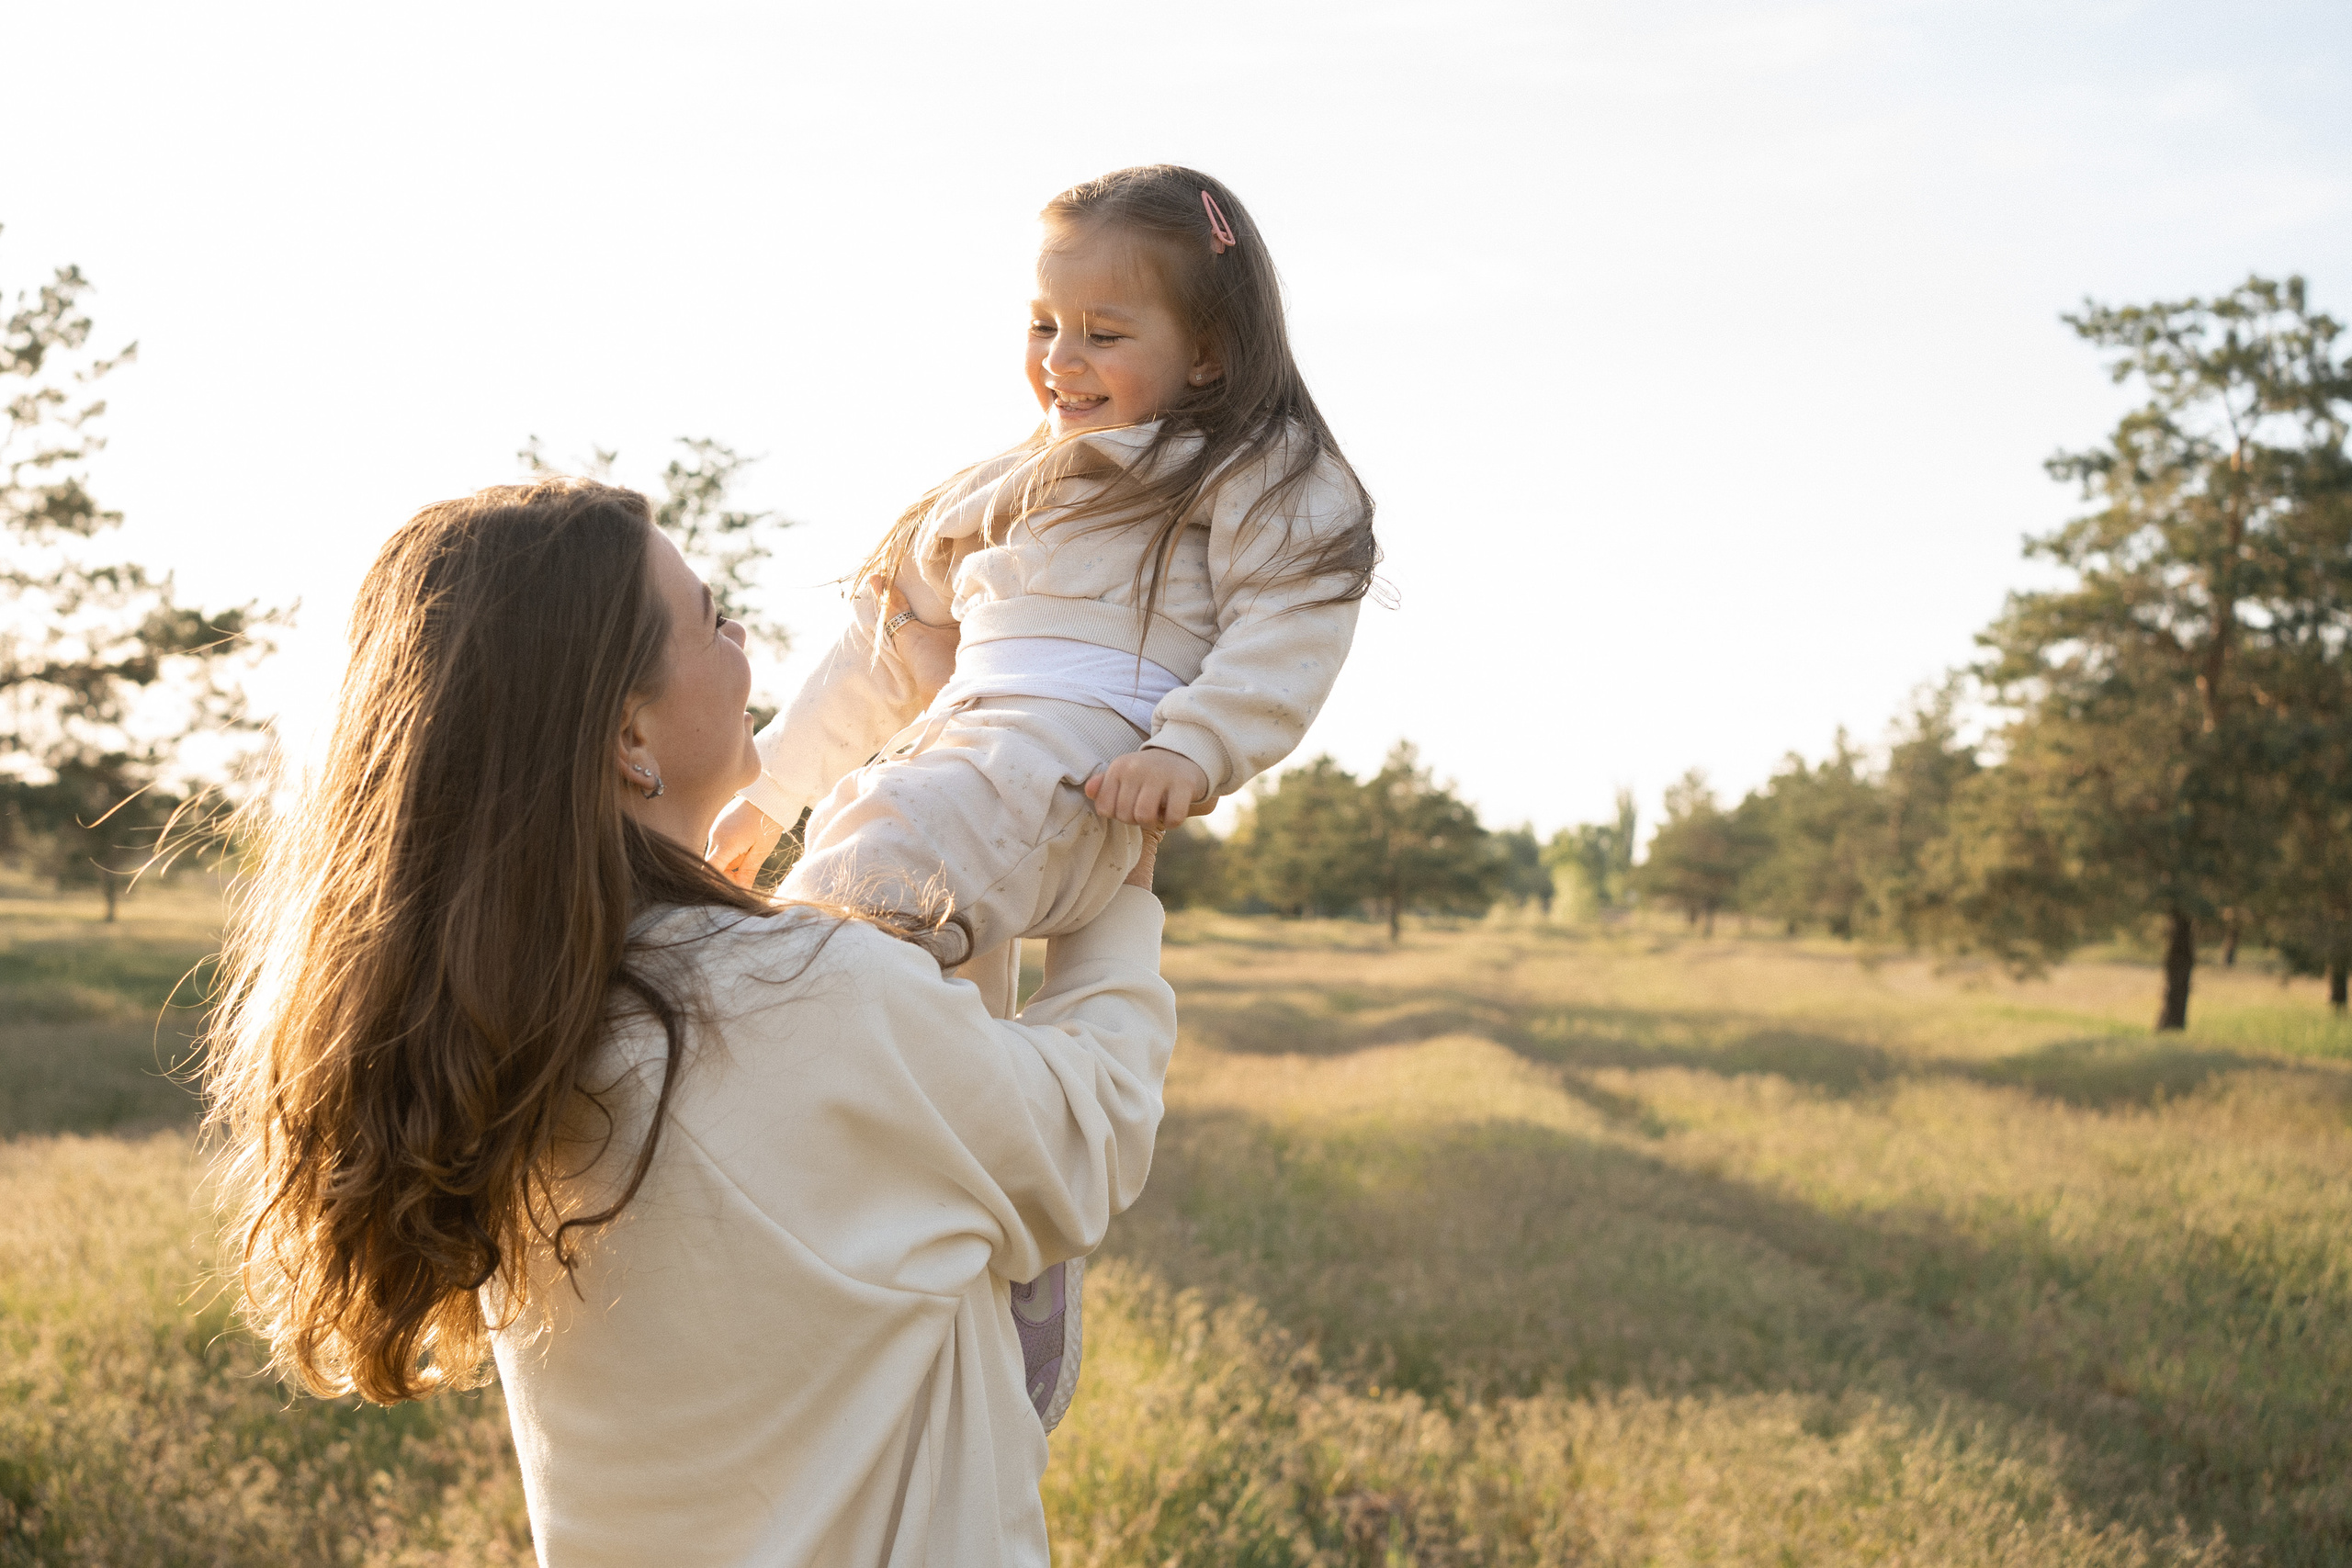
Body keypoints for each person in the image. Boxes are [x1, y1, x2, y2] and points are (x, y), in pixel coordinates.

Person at [204, 479, 1177, 1565]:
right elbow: (1085, 1136)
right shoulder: (796, 993)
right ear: (630, 731)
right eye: (713, 620)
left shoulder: (520, 1022)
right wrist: (1124, 866)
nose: (743, 641)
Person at [705, 164, 1378, 1428]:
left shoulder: (1245, 470)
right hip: (960, 752)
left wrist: (1193, 750)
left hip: (1085, 764)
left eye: (1104, 334)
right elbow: (880, 651)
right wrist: (775, 788)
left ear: (1209, 351)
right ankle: (993, 1256)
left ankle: (776, 1171)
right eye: (1042, 324)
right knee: (931, 1018)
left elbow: (1291, 625)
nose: (1061, 360)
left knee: (837, 919)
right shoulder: (996, 488)